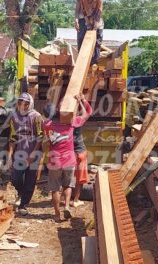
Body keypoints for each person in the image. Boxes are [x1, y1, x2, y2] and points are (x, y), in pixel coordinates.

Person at [43, 94, 93, 222]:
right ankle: (66, 206)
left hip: (55, 160)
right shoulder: (71, 123)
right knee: (68, 185)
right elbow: (87, 113)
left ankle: (56, 214)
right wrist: (81, 101)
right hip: (69, 160)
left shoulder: (47, 124)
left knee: (55, 188)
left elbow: (47, 136)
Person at [7, 93, 45, 216]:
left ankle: (24, 204)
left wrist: (33, 154)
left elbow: (40, 137)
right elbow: (12, 137)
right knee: (15, 177)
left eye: (26, 103)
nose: (22, 106)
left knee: (30, 179)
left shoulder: (36, 117)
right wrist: (9, 155)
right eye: (20, 103)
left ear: (31, 104)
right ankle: (20, 193)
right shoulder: (14, 117)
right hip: (20, 153)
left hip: (34, 153)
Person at [75, 0, 104, 65]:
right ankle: (82, 59)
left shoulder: (98, 0)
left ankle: (95, 61)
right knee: (82, 39)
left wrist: (94, 26)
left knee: (97, 41)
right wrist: (87, 23)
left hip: (97, 22)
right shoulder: (83, 0)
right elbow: (83, 12)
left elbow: (98, 13)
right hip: (87, 21)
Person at [70, 126, 88, 207]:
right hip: (80, 151)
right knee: (80, 178)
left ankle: (64, 198)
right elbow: (87, 113)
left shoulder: (62, 122)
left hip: (68, 153)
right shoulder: (78, 121)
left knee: (67, 177)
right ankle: (75, 200)